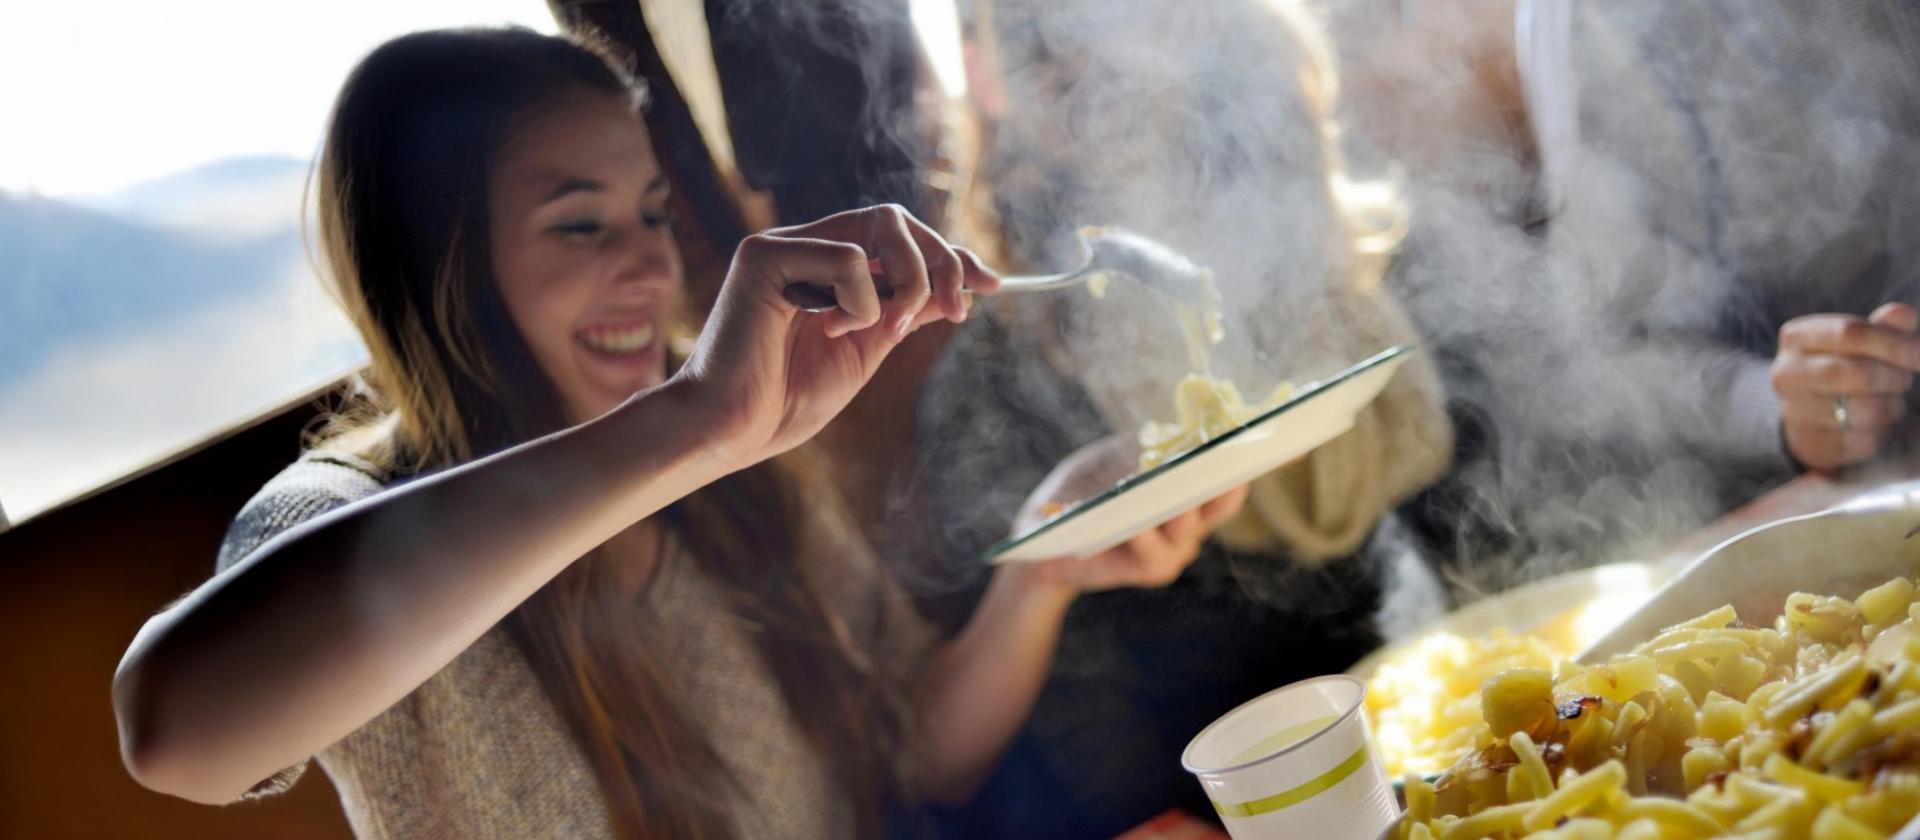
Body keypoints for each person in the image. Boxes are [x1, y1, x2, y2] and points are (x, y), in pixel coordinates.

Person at [110, 28, 1247, 840]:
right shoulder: (347, 510)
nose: (650, 266)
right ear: (442, 268)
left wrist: (1045, 568)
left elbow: (916, 755)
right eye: (579, 225)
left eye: (654, 213)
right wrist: (691, 426)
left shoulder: (736, 476)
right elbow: (176, 734)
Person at [886, 1, 1456, 835]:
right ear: (985, 72)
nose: (1078, 60)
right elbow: (1026, 742)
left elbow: (1469, 536)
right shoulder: (996, 384)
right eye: (1033, 31)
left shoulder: (1351, 269)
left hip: (1430, 740)